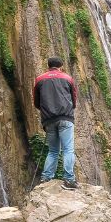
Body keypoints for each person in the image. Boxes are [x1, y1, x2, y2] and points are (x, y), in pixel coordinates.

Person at [33, 57, 77, 185]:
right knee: (68, 149)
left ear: (48, 66)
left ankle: (46, 178)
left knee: (53, 151)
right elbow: (74, 100)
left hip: (49, 120)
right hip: (65, 118)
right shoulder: (68, 78)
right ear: (61, 66)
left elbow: (36, 102)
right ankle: (69, 179)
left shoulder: (39, 80)